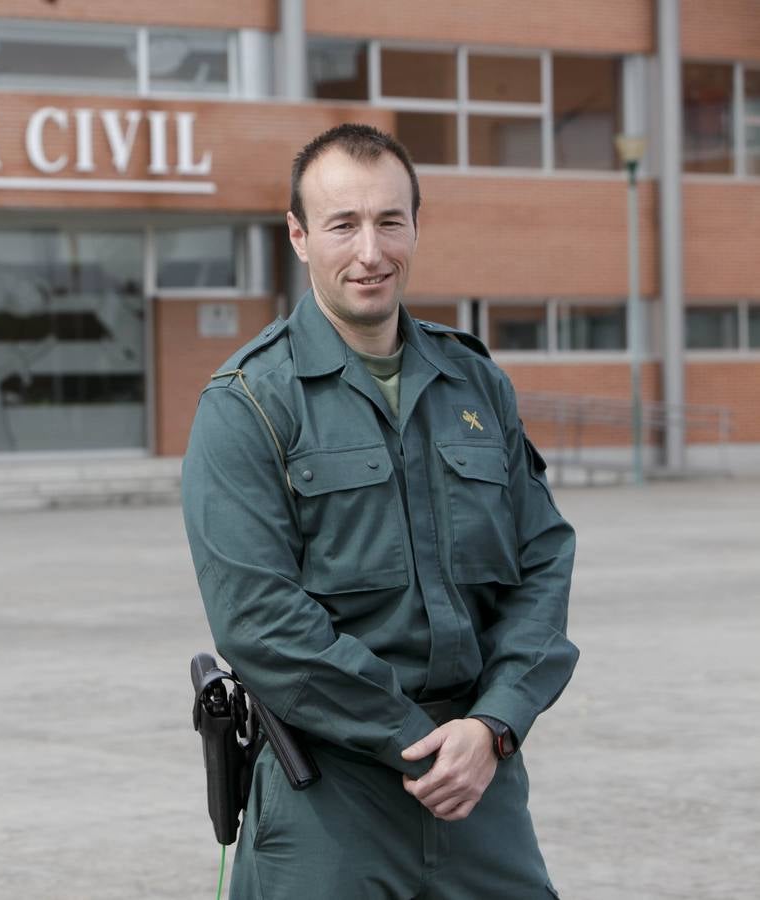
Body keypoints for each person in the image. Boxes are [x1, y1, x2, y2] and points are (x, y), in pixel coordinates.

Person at [181, 123, 578, 899]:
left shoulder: (473, 385)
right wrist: (416, 742)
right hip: (330, 794)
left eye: (389, 221)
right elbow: (258, 619)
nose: (370, 252)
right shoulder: (248, 404)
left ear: (415, 227)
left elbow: (543, 562)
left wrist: (493, 724)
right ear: (298, 236)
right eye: (342, 224)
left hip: (477, 780)